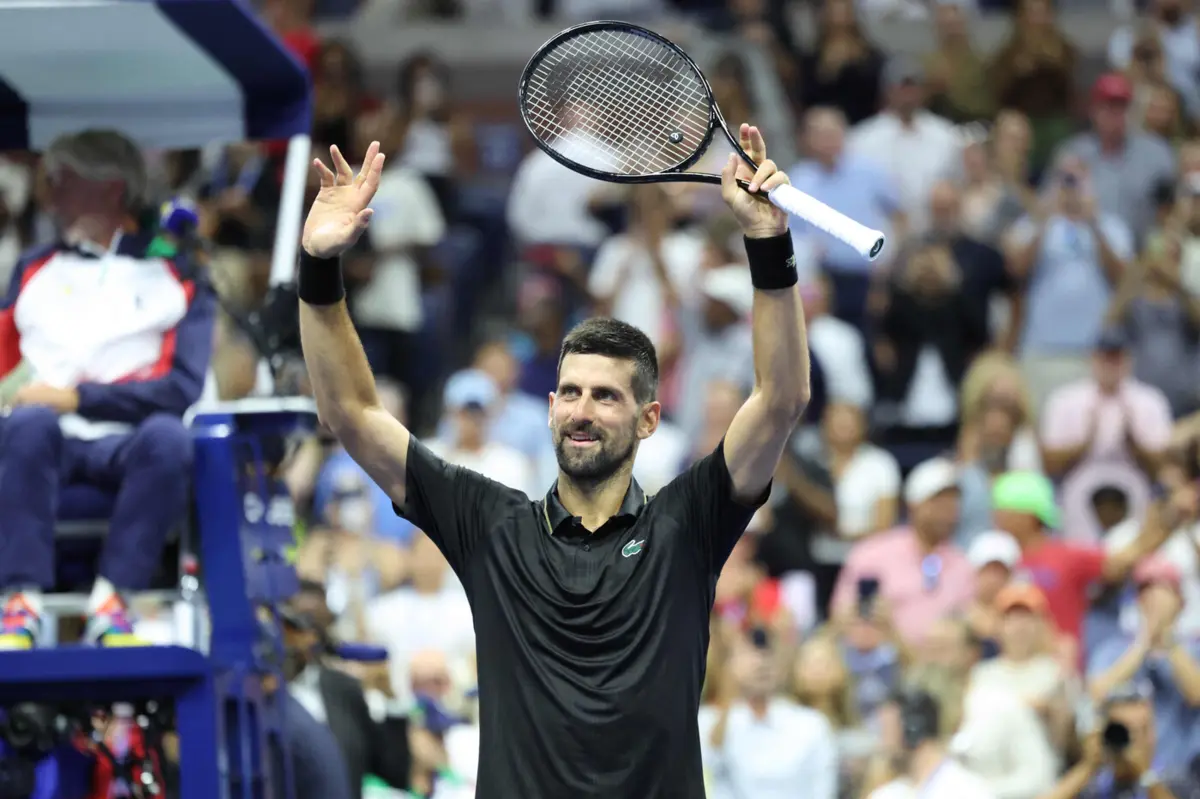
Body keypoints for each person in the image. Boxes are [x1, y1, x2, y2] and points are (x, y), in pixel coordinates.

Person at [295, 127, 812, 797]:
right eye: (570, 391)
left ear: (649, 418)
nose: (582, 409)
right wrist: (316, 265)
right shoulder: (489, 524)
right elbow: (350, 413)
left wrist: (769, 243)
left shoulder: (686, 526)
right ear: (548, 407)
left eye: (605, 396)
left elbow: (781, 399)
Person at [0, 129, 216, 648]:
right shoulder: (33, 267)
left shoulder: (177, 272)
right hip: (40, 434)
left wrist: (78, 398)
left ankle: (113, 605)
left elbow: (182, 388)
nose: (49, 194)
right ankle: (17, 606)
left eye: (62, 180)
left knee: (169, 437)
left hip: (130, 440)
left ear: (111, 188)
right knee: (27, 424)